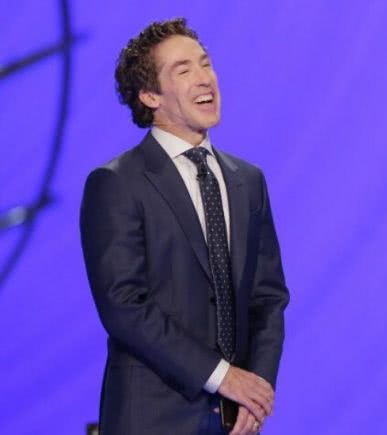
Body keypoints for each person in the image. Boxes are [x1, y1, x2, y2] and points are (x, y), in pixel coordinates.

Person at [80, 18, 289, 435]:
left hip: (236, 420)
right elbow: (124, 306)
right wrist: (221, 375)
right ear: (149, 95)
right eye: (183, 70)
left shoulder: (248, 180)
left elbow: (268, 298)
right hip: (153, 417)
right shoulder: (117, 182)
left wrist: (257, 389)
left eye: (205, 63)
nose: (204, 78)